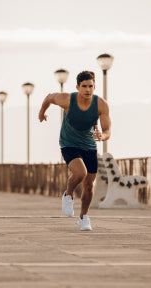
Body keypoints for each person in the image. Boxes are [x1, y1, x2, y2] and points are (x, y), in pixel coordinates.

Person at [38, 70, 111, 231]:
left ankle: (83, 217)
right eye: (84, 86)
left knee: (89, 185)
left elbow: (107, 131)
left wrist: (102, 135)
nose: (87, 89)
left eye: (90, 86)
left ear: (94, 86)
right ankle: (68, 194)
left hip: (89, 145)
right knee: (80, 173)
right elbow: (49, 97)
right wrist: (41, 113)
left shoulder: (101, 104)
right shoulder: (67, 100)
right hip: (68, 143)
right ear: (78, 87)